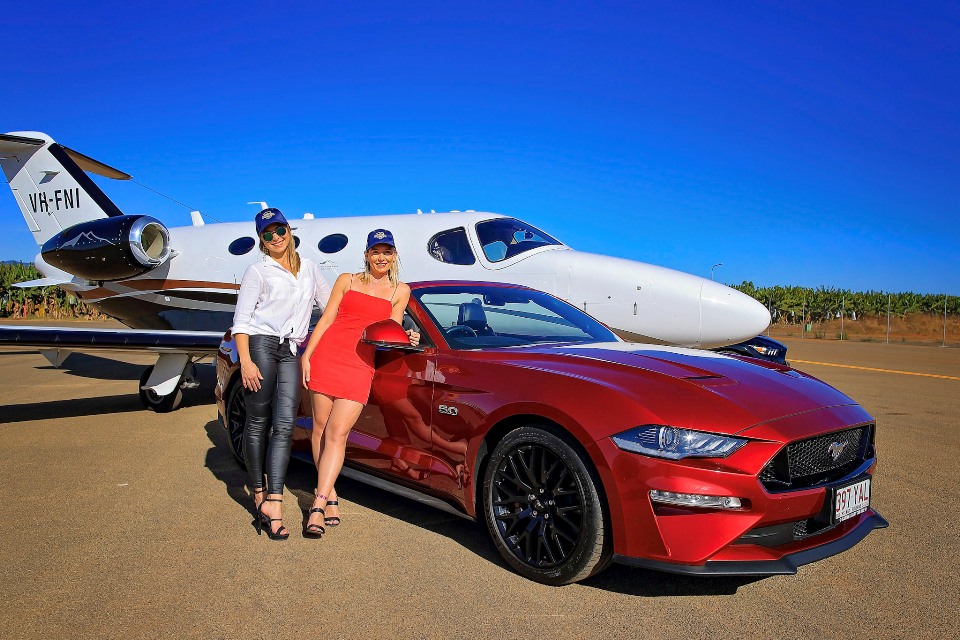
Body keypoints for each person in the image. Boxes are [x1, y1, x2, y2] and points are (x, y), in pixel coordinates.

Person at [300, 229, 418, 537]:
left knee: (338, 434)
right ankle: (330, 495)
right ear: (366, 254)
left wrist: (409, 336)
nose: (381, 257)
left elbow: (392, 327)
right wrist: (308, 356)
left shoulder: (400, 291)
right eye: (375, 251)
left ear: (394, 256)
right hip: (328, 355)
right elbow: (326, 319)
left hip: (359, 364)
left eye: (387, 251)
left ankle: (316, 504)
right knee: (320, 429)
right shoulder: (347, 280)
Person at [231, 207, 332, 540]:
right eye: (267, 234)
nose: (275, 238)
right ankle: (260, 493)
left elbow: (332, 307)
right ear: (262, 240)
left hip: (291, 348)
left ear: (290, 230)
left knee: (285, 425)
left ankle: (273, 501)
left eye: (279, 230)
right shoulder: (257, 272)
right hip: (260, 345)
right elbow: (242, 322)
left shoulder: (311, 270)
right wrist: (245, 361)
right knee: (259, 420)